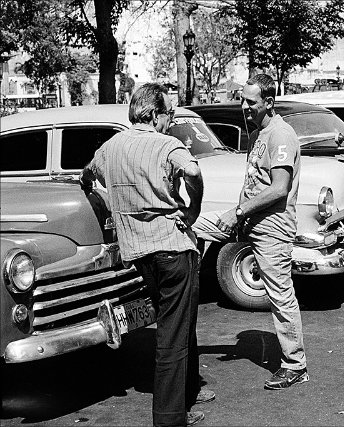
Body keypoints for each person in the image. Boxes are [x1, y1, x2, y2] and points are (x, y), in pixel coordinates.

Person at [79, 83, 214, 426]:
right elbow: (194, 171)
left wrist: (101, 197)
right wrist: (193, 207)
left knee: (177, 325)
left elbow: (87, 174)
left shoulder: (111, 147)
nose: (170, 120)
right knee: (172, 335)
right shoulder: (167, 144)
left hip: (139, 253)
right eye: (169, 113)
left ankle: (186, 392)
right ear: (154, 114)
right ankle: (170, 417)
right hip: (173, 249)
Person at [215, 74, 308, 390]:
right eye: (242, 99)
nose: (244, 106)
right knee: (195, 230)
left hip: (273, 230)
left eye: (250, 102)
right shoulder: (258, 134)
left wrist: (238, 211)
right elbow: (255, 182)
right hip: (252, 223)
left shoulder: (281, 135)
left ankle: (295, 366)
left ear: (269, 102)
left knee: (281, 296)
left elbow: (279, 189)